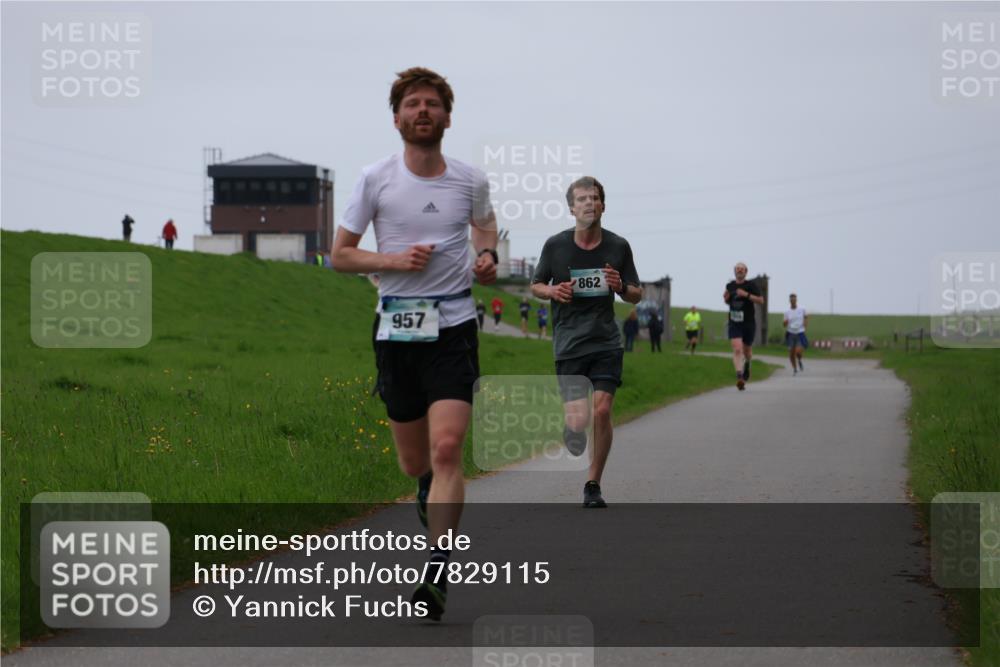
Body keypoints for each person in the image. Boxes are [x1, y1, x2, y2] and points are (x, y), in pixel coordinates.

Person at [330, 67, 497, 620]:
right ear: (397, 117)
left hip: (453, 327)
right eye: (411, 104)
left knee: (449, 448)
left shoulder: (470, 181)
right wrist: (392, 261)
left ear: (448, 117)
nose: (422, 111)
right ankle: (425, 484)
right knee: (413, 461)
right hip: (396, 328)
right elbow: (341, 255)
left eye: (431, 103)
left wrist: (489, 256)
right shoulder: (374, 179)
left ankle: (438, 571)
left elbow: (485, 227)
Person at [531, 176, 641, 508]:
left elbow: (636, 294)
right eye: (582, 199)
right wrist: (552, 290)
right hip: (569, 344)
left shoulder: (618, 246)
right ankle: (573, 430)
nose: (589, 203)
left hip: (606, 341)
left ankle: (593, 484)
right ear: (571, 208)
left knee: (603, 408)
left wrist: (620, 285)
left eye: (594, 198)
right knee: (578, 420)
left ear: (603, 205)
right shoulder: (555, 246)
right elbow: (536, 284)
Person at [723, 262, 764, 391]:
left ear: (746, 272)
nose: (739, 271)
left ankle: (747, 365)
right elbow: (727, 300)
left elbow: (761, 300)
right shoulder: (730, 285)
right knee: (737, 349)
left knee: (747, 352)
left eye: (742, 269)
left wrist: (746, 294)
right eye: (737, 269)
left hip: (748, 323)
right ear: (734, 271)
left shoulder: (751, 285)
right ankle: (739, 377)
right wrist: (726, 299)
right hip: (734, 322)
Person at [784, 293, 809, 374]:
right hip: (790, 333)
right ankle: (795, 369)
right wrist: (785, 322)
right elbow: (784, 324)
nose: (793, 301)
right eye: (791, 300)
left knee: (797, 351)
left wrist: (805, 326)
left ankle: (799, 359)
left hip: (800, 333)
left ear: (796, 300)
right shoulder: (787, 312)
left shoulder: (802, 309)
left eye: (794, 300)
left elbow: (806, 317)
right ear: (789, 301)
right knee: (791, 353)